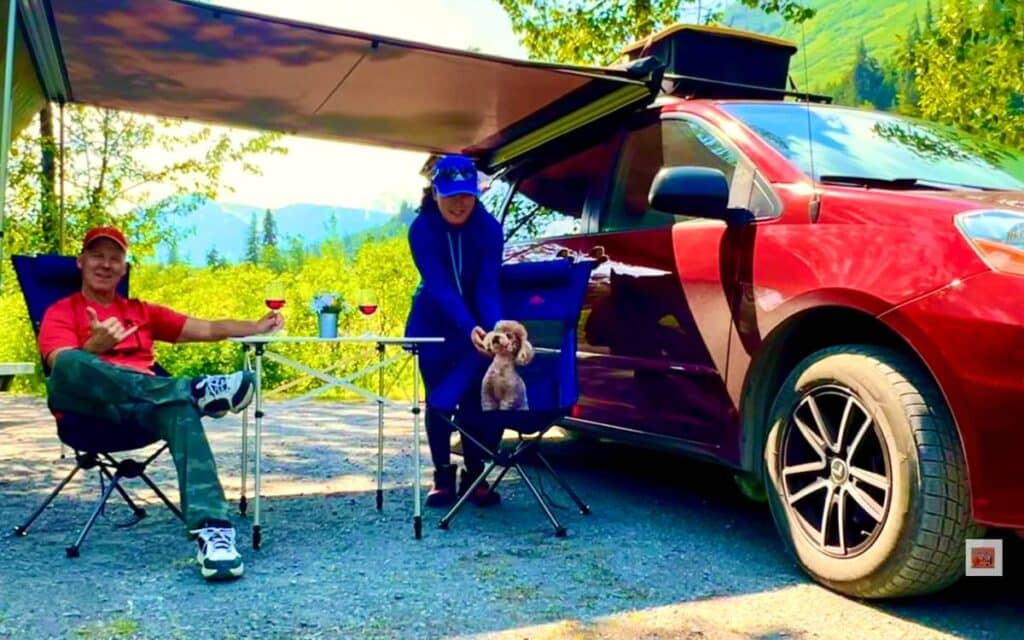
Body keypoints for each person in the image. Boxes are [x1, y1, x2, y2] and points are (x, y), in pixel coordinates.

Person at [37, 226, 283, 582]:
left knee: (179, 411)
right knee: (70, 363)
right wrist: (94, 347)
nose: (105, 264)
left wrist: (256, 325)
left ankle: (213, 533)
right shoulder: (61, 312)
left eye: (114, 258)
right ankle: (191, 391)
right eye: (96, 255)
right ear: (80, 261)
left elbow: (209, 328)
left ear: (124, 268)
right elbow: (62, 368)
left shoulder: (140, 313)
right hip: (87, 412)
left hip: (142, 412)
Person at [405, 154, 505, 508]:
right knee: (439, 399)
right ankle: (442, 475)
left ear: (476, 194)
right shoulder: (422, 230)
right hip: (434, 324)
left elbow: (487, 288)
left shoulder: (489, 230)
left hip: (476, 327)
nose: (458, 203)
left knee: (476, 398)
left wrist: (492, 331)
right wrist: (468, 327)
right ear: (435, 193)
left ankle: (475, 473)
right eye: (450, 195)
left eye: (465, 195)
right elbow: (440, 286)